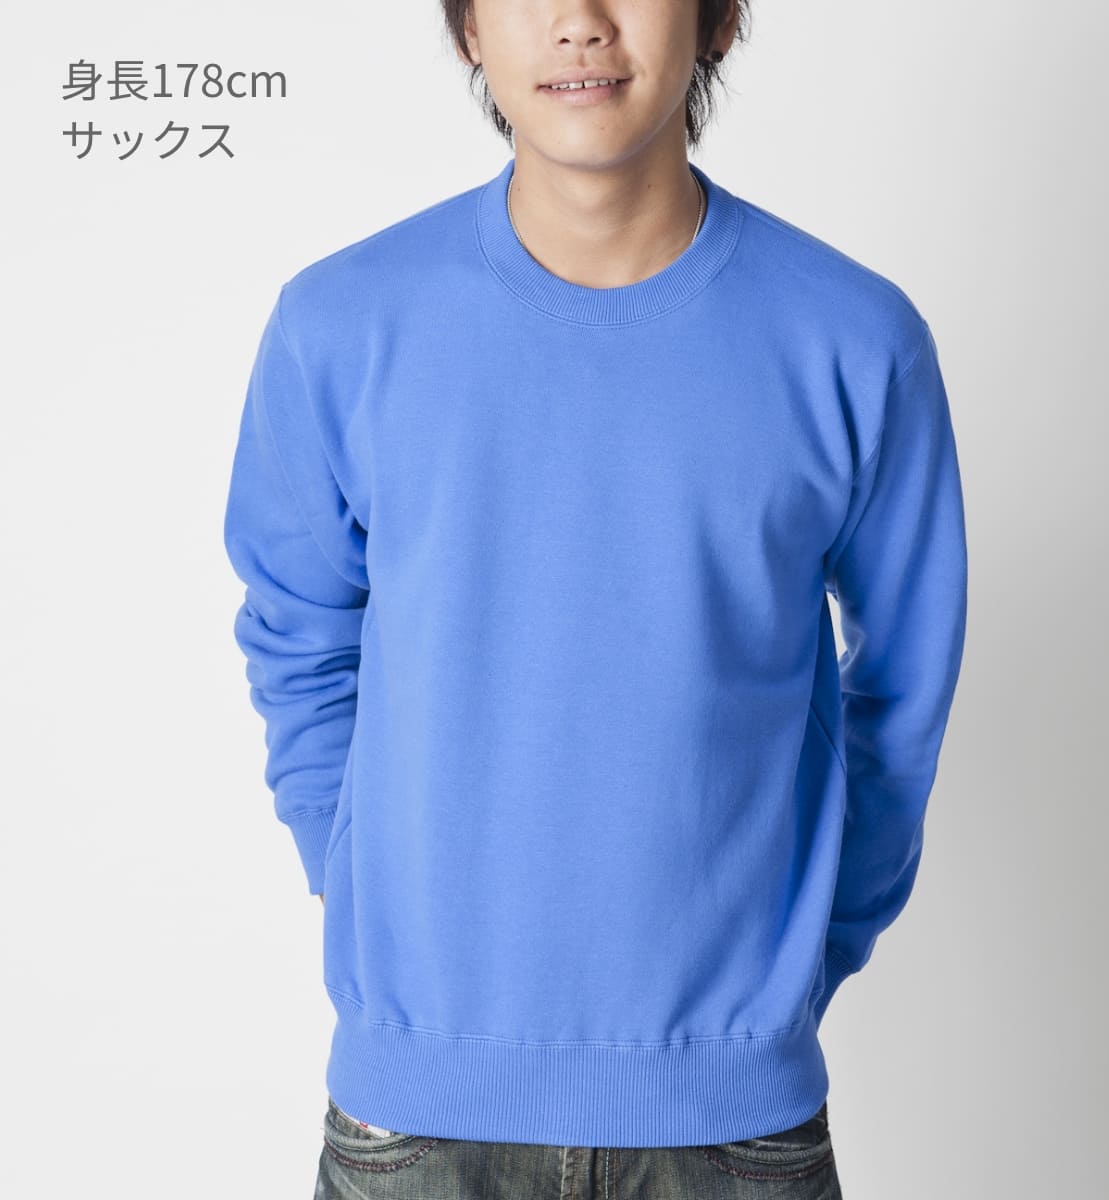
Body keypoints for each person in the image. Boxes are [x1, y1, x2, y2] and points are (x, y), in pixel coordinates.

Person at [222, 2, 968, 1197]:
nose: (578, 23)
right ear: (468, 31)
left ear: (720, 21)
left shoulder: (854, 338)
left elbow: (908, 685)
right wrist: (346, 864)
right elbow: (299, 631)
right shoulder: (341, 324)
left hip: (733, 1123)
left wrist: (799, 955)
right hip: (415, 1118)